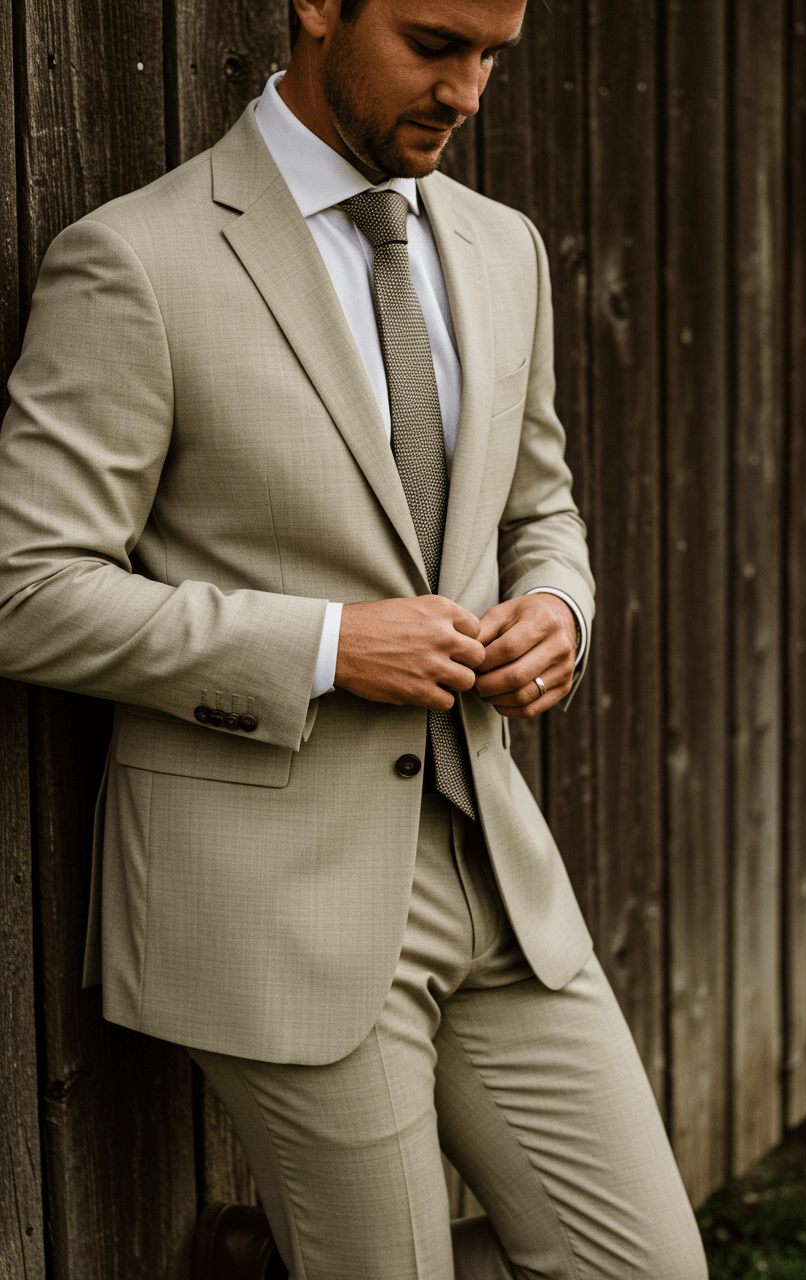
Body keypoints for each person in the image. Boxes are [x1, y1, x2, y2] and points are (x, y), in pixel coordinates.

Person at [0, 0, 708, 1277]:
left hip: (497, 873)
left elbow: (538, 502)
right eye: (436, 45)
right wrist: (326, 645)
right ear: (319, 6)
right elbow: (26, 585)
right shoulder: (137, 260)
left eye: (493, 56)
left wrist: (558, 611)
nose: (467, 92)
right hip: (276, 896)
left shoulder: (503, 249)